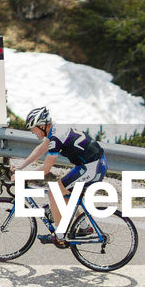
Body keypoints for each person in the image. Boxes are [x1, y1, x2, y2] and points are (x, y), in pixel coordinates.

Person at [13, 106, 107, 247]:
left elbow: (46, 169)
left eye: (33, 128)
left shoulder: (55, 138)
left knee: (55, 191)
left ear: (42, 125)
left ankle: (59, 235)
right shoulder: (54, 131)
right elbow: (40, 149)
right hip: (89, 165)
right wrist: (21, 167)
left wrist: (24, 176)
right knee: (65, 194)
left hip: (93, 167)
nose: (32, 131)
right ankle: (84, 227)